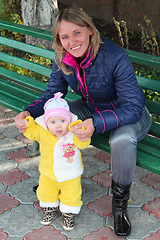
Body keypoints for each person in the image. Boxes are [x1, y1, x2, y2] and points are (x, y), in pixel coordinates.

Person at [14, 6, 152, 236]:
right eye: (64, 36)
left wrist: (96, 123)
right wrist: (28, 112)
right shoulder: (63, 59)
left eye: (77, 33)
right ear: (59, 39)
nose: (72, 41)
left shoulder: (116, 57)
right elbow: (51, 97)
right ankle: (55, 177)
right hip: (91, 108)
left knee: (121, 140)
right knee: (50, 117)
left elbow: (133, 108)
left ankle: (119, 205)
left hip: (130, 114)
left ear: (89, 30)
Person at [16, 92, 91, 230]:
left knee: (72, 194)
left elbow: (82, 145)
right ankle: (50, 209)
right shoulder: (42, 131)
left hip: (70, 174)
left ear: (69, 120)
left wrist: (81, 134)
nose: (58, 126)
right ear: (46, 123)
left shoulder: (72, 131)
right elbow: (31, 131)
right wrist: (26, 123)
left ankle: (69, 213)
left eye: (62, 121)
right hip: (48, 172)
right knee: (46, 192)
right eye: (53, 122)